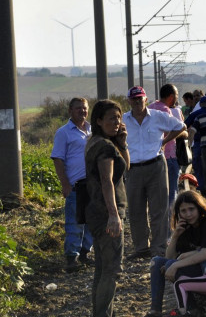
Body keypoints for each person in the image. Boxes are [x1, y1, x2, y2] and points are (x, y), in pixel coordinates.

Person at [145, 191, 206, 317]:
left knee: (172, 265)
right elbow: (169, 256)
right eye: (183, 211)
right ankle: (155, 311)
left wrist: (175, 265)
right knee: (157, 261)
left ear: (199, 208)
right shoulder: (185, 227)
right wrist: (175, 236)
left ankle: (191, 308)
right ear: (179, 213)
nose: (188, 214)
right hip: (200, 269)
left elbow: (205, 254)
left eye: (191, 209)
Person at [123, 86, 187, 259]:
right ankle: (141, 248)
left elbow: (180, 126)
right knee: (136, 210)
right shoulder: (123, 120)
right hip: (133, 168)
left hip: (156, 166)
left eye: (140, 98)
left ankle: (159, 248)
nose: (137, 102)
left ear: (146, 99)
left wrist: (165, 141)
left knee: (159, 209)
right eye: (134, 99)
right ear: (129, 101)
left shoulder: (157, 116)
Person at [84, 99, 129, 317]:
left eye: (119, 117)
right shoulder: (104, 147)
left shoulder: (97, 142)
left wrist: (122, 142)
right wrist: (113, 215)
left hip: (96, 212)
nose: (117, 122)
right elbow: (106, 181)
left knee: (102, 269)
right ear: (99, 120)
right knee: (111, 271)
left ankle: (101, 314)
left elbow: (125, 167)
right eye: (112, 118)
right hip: (106, 214)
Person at [51, 97, 93, 272]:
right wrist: (65, 185)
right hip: (75, 185)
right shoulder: (64, 132)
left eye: (84, 108)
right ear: (70, 111)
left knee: (91, 222)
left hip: (92, 184)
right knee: (75, 223)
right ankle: (71, 258)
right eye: (78, 109)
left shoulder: (92, 130)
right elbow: (58, 159)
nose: (82, 111)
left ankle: (84, 253)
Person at [148, 84, 188, 207]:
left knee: (156, 193)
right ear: (171, 97)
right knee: (171, 192)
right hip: (168, 156)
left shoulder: (150, 107)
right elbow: (180, 128)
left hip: (152, 157)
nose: (177, 98)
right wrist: (165, 141)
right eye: (176, 95)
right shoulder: (166, 110)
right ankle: (170, 223)